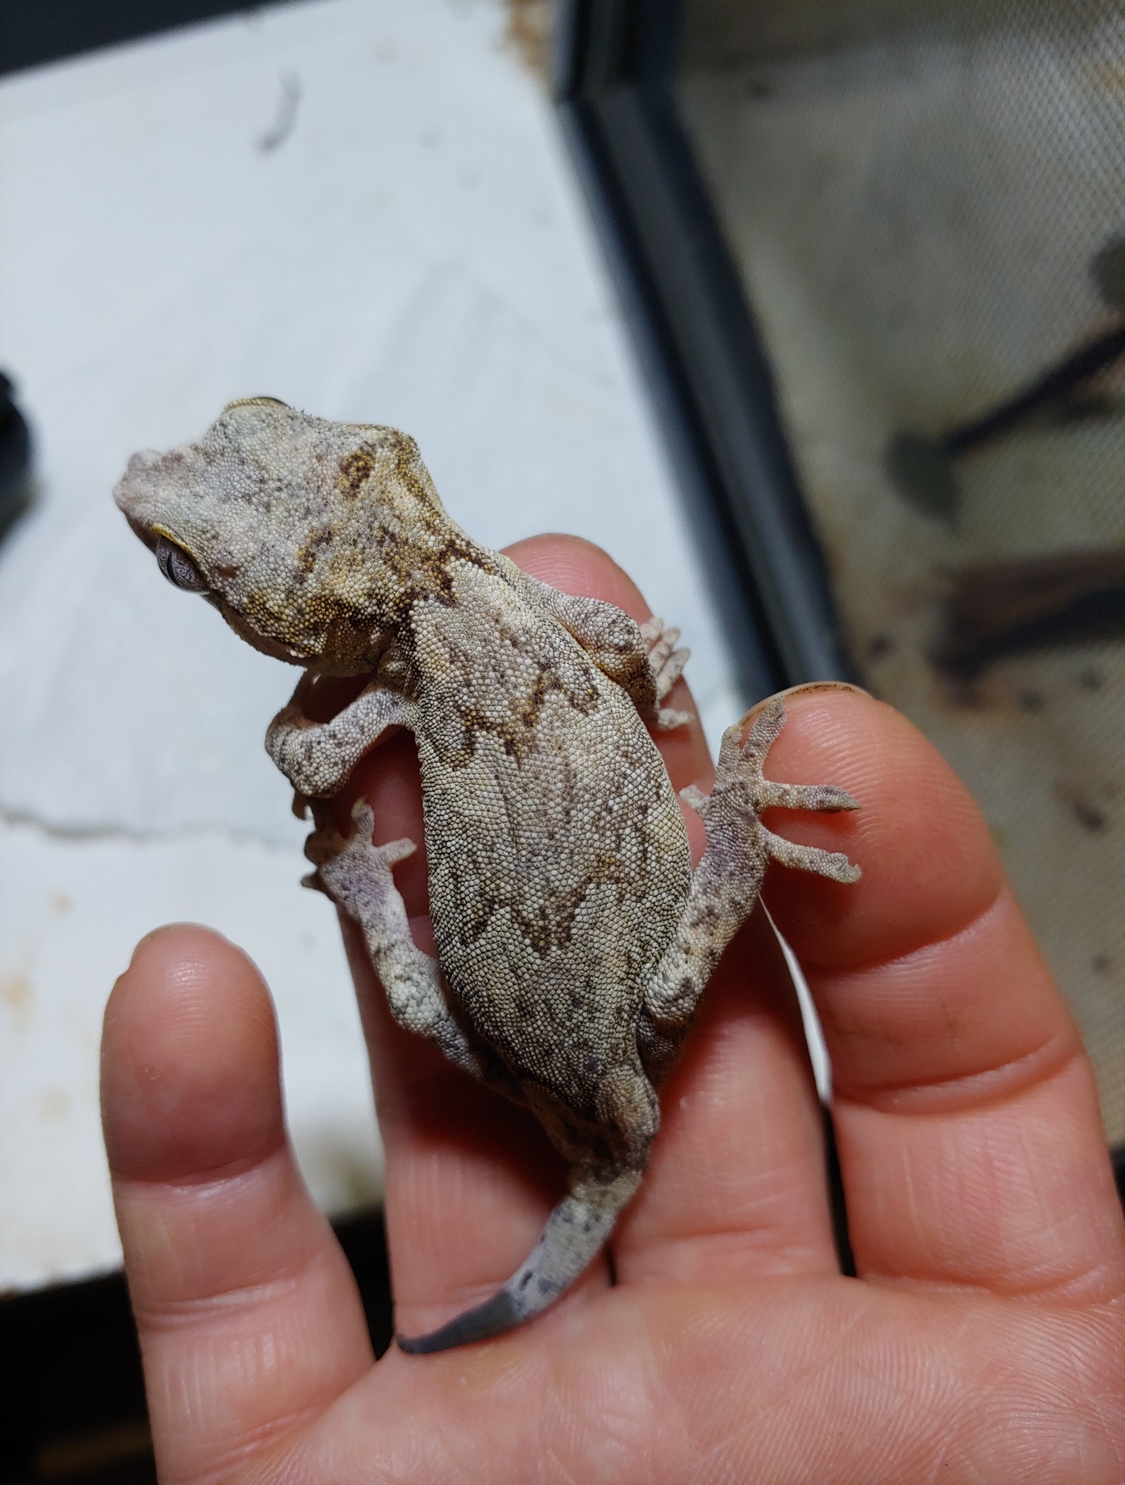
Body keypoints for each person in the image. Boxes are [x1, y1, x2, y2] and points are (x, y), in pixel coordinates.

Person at [100, 535, 1125, 1482]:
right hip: (570, 1027)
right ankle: (613, 1091)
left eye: (190, 572)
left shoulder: (442, 635)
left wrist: (334, 816)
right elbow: (621, 650)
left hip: (586, 1028)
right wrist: (711, 798)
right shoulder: (512, 597)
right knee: (574, 1008)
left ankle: (600, 1129)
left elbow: (317, 762)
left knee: (491, 1013)